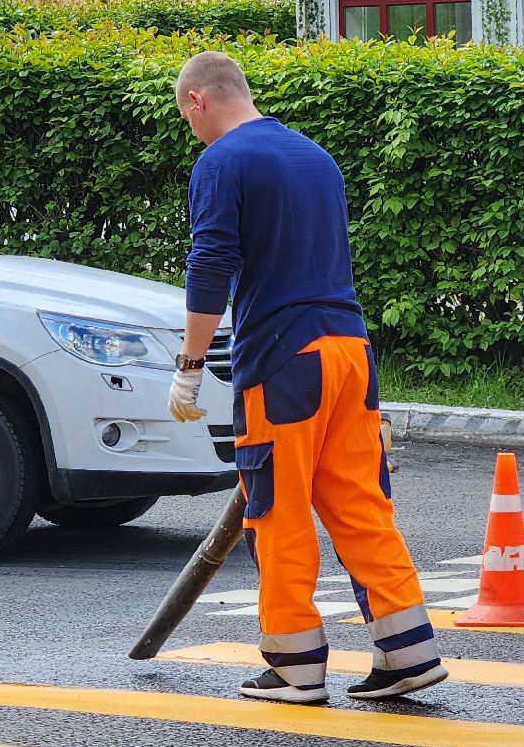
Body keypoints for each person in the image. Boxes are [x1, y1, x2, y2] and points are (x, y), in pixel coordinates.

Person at [168, 50, 448, 705]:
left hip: (283, 359)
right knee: (360, 507)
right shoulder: (314, 156)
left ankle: (294, 663)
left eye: (187, 118)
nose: (192, 130)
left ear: (198, 101)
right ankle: (408, 652)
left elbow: (211, 266)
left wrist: (188, 367)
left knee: (279, 510)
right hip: (350, 352)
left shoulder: (222, 161)